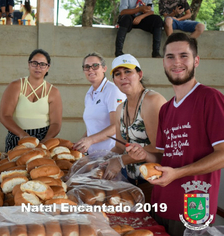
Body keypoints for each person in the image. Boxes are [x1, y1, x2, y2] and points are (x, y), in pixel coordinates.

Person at [126, 32, 224, 236]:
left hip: (193, 207)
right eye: (170, 56)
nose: (176, 62)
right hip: (160, 202)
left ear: (196, 60)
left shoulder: (210, 98)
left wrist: (178, 173)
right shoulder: (167, 108)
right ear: (163, 62)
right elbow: (162, 156)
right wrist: (144, 155)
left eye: (184, 56)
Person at [103, 54, 166, 203]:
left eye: (128, 71)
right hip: (132, 183)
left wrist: (121, 161)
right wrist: (101, 160)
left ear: (139, 74)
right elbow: (119, 145)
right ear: (114, 81)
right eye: (118, 74)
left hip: (154, 182)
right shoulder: (120, 108)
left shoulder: (151, 100)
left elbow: (159, 147)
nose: (123, 77)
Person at [0, 49, 63, 152]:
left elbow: (56, 123)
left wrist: (45, 141)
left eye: (42, 64)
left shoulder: (53, 92)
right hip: (17, 137)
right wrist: (23, 135)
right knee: (15, 166)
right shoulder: (15, 86)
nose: (38, 67)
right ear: (29, 64)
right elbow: (5, 116)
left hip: (43, 138)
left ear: (48, 67)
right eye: (34, 63)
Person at [73, 52, 126, 155]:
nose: (91, 70)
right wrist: (81, 141)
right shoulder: (89, 93)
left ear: (104, 68)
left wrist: (90, 140)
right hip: (93, 155)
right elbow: (93, 127)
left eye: (95, 66)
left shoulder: (112, 90)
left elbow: (117, 126)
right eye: (87, 67)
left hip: (111, 154)